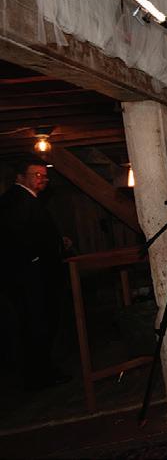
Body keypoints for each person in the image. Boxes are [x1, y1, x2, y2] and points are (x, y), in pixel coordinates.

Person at [0, 159, 72, 391]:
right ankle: (39, 374)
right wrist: (40, 258)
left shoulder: (26, 199)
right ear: (20, 177)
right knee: (36, 324)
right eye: (36, 175)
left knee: (37, 323)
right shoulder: (18, 200)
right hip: (30, 278)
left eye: (44, 175)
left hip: (31, 275)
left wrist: (58, 242)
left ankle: (41, 371)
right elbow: (19, 238)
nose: (42, 179)